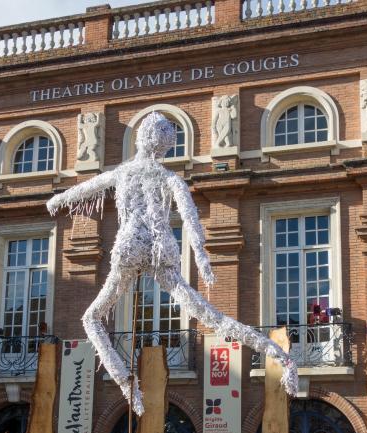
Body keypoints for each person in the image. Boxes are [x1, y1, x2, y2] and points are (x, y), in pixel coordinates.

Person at [48, 112, 297, 414]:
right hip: (163, 249)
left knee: (92, 318)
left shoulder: (124, 173)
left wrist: (57, 201)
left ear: (141, 137)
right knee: (210, 315)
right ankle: (282, 358)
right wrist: (202, 257)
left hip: (130, 246)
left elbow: (84, 190)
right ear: (165, 145)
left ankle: (129, 387)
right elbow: (190, 219)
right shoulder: (170, 178)